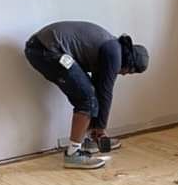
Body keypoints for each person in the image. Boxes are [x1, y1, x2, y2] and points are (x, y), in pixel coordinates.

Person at [25, 21, 149, 169]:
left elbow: (99, 89)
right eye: (128, 72)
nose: (124, 74)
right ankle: (73, 154)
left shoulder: (111, 47)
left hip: (43, 47)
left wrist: (98, 129)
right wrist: (101, 128)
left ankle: (90, 139)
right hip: (46, 50)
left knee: (90, 94)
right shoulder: (113, 54)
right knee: (87, 100)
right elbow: (106, 92)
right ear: (130, 63)